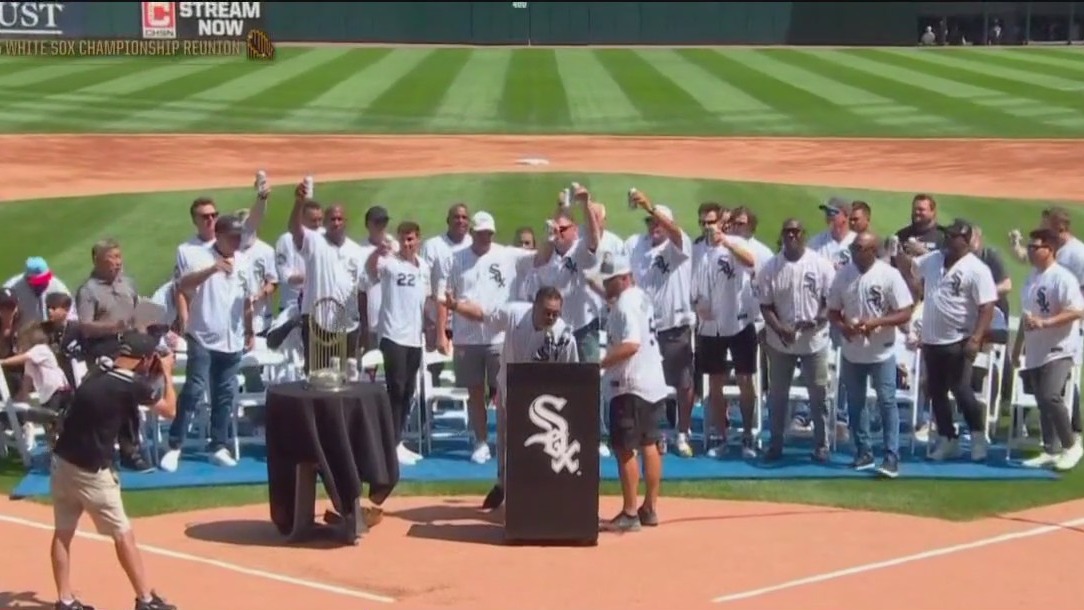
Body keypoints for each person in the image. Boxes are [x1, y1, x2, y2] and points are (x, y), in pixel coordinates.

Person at [49, 331, 178, 610]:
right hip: (91, 473)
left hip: (62, 463)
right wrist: (166, 373)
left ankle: (65, 599)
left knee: (63, 533)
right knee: (123, 534)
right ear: (145, 359)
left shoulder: (97, 371)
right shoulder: (129, 385)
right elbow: (169, 410)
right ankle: (145, 599)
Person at [446, 285, 578, 510]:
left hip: (542, 400)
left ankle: (535, 496)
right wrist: (455, 306)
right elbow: (482, 315)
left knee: (537, 448)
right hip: (510, 388)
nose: (551, 317)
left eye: (556, 313)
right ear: (534, 306)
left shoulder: (564, 336)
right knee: (506, 441)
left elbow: (572, 372)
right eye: (547, 311)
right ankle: (502, 485)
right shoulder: (515, 313)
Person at [435, 211, 538, 464]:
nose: (485, 237)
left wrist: (557, 233)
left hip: (499, 337)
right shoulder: (455, 259)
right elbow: (442, 297)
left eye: (489, 233)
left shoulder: (507, 254)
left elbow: (541, 257)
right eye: (481, 233)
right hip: (466, 338)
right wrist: (440, 332)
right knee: (474, 392)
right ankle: (481, 441)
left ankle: (509, 440)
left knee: (504, 392)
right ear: (473, 233)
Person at [161, 215, 255, 472]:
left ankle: (219, 445)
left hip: (232, 340)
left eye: (240, 236)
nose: (237, 241)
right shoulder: (199, 256)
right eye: (233, 236)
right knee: (193, 390)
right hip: (202, 336)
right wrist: (213, 269)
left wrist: (249, 330)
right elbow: (182, 285)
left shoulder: (245, 261)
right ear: (220, 235)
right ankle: (174, 445)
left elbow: (247, 299)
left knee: (225, 395)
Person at [898, 219, 997, 462]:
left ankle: (976, 436)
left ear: (965, 240)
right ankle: (947, 436)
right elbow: (912, 270)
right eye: (947, 235)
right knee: (935, 389)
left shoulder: (976, 268)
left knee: (961, 388)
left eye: (953, 236)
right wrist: (900, 256)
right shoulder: (934, 259)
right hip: (932, 338)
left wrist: (976, 338)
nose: (948, 240)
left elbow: (987, 306)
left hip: (960, 337)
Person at [827, 232, 915, 478]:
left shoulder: (889, 275)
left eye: (860, 248)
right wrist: (844, 327)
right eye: (854, 248)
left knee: (887, 401)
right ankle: (864, 451)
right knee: (855, 404)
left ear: (872, 251)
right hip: (852, 351)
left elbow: (905, 312)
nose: (855, 252)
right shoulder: (844, 275)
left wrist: (877, 322)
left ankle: (891, 456)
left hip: (881, 351)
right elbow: (833, 310)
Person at [596, 253, 669, 532]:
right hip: (652, 380)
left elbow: (630, 344)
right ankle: (649, 508)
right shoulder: (640, 297)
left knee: (625, 447)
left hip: (630, 384)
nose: (606, 284)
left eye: (610, 280)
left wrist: (600, 363)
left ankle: (630, 511)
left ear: (624, 278)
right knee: (649, 444)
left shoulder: (625, 305)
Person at [757, 219, 836, 462]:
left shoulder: (820, 265)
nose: (792, 235)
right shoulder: (770, 268)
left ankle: (821, 445)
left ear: (804, 234)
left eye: (796, 231)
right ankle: (776, 443)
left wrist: (816, 321)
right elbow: (766, 305)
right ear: (782, 235)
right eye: (787, 231)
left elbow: (830, 303)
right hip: (780, 342)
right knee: (778, 395)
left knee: (818, 393)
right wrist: (781, 329)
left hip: (814, 341)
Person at [627, 190, 696, 458]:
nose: (655, 227)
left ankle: (682, 432)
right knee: (644, 383)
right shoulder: (638, 247)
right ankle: (651, 434)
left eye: (659, 223)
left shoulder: (679, 246)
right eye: (651, 223)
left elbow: (676, 233)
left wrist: (649, 208)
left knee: (682, 382)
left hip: (675, 325)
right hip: (645, 328)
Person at [1012, 228, 1084, 471]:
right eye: (1030, 247)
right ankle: (1050, 449)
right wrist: (1017, 348)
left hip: (1060, 347)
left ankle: (1071, 445)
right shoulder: (1032, 277)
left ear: (1049, 250)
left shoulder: (1062, 278)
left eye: (1034, 247)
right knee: (1042, 400)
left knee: (1050, 395)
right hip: (1035, 349)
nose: (1029, 252)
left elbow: (1077, 310)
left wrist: (1046, 323)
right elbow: (1026, 316)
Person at [691, 208, 760, 459]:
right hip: (710, 326)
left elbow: (750, 261)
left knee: (745, 380)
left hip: (739, 322)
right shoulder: (697, 248)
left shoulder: (737, 242)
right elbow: (693, 281)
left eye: (711, 222)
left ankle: (748, 434)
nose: (707, 227)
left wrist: (727, 242)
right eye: (703, 222)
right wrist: (697, 303)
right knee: (715, 381)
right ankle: (720, 434)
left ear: (721, 222)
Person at [366, 221, 432, 466]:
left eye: (412, 239)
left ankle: (398, 440)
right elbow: (371, 269)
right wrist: (378, 251)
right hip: (393, 336)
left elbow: (423, 301)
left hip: (415, 338)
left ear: (418, 240)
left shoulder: (423, 267)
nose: (408, 243)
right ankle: (390, 443)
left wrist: (430, 326)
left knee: (408, 391)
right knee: (396, 389)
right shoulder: (391, 264)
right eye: (404, 239)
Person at [286, 181, 367, 370]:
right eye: (332, 219)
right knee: (317, 374)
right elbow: (294, 229)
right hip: (317, 320)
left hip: (346, 321)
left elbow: (361, 288)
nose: (336, 223)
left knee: (346, 375)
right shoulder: (315, 241)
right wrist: (299, 202)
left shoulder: (356, 250)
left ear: (346, 221)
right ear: (325, 222)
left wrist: (363, 323)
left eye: (340, 219)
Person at [0, 321, 73, 448]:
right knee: (48, 422)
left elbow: (24, 357)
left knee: (55, 419)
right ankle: (55, 447)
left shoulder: (40, 350)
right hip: (47, 395)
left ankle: (64, 441)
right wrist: (18, 400)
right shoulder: (30, 363)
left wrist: (4, 362)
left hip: (58, 390)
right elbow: (26, 383)